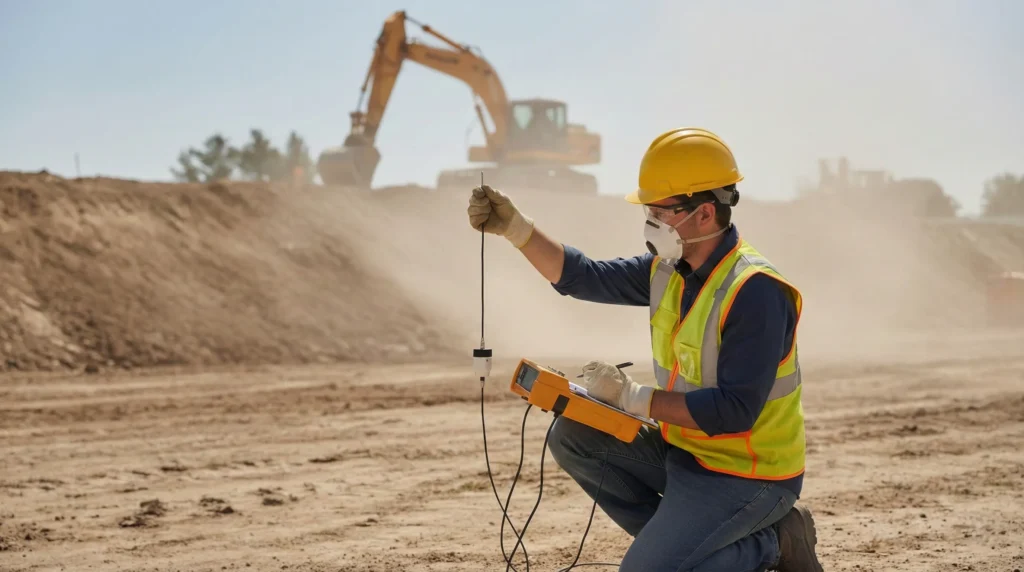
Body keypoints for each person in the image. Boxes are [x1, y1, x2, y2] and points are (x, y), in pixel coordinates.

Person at [466, 127, 824, 572]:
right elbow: (584, 276)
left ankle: (774, 544)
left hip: (749, 475)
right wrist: (515, 229)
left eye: (662, 210)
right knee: (572, 436)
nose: (651, 220)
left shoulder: (755, 291)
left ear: (705, 213)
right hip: (685, 454)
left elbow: (734, 412)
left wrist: (632, 398)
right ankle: (685, 542)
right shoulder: (668, 269)